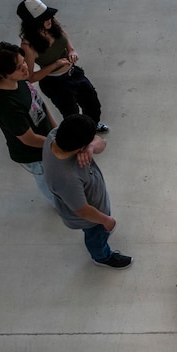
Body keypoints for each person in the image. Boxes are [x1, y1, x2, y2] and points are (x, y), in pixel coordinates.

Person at [42, 113, 132, 269]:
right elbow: (82, 210)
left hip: (94, 202)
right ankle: (102, 257)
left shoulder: (54, 136)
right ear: (79, 147)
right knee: (96, 236)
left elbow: (101, 143)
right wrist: (106, 220)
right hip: (91, 218)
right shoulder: (65, 177)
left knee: (97, 232)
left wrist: (90, 147)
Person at [0, 41, 66, 206]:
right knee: (48, 184)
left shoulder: (17, 79)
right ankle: (61, 206)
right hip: (34, 155)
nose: (26, 69)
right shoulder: (6, 106)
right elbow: (29, 139)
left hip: (48, 140)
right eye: (18, 67)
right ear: (3, 73)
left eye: (23, 62)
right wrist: (59, 144)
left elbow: (39, 103)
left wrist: (55, 129)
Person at [17, 0, 108, 132]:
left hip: (73, 73)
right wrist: (55, 64)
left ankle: (93, 126)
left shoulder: (51, 23)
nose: (50, 19)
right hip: (55, 83)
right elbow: (30, 77)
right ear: (33, 23)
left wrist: (71, 50)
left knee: (92, 103)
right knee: (72, 114)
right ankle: (80, 138)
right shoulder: (28, 46)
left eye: (49, 16)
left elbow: (62, 34)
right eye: (45, 18)